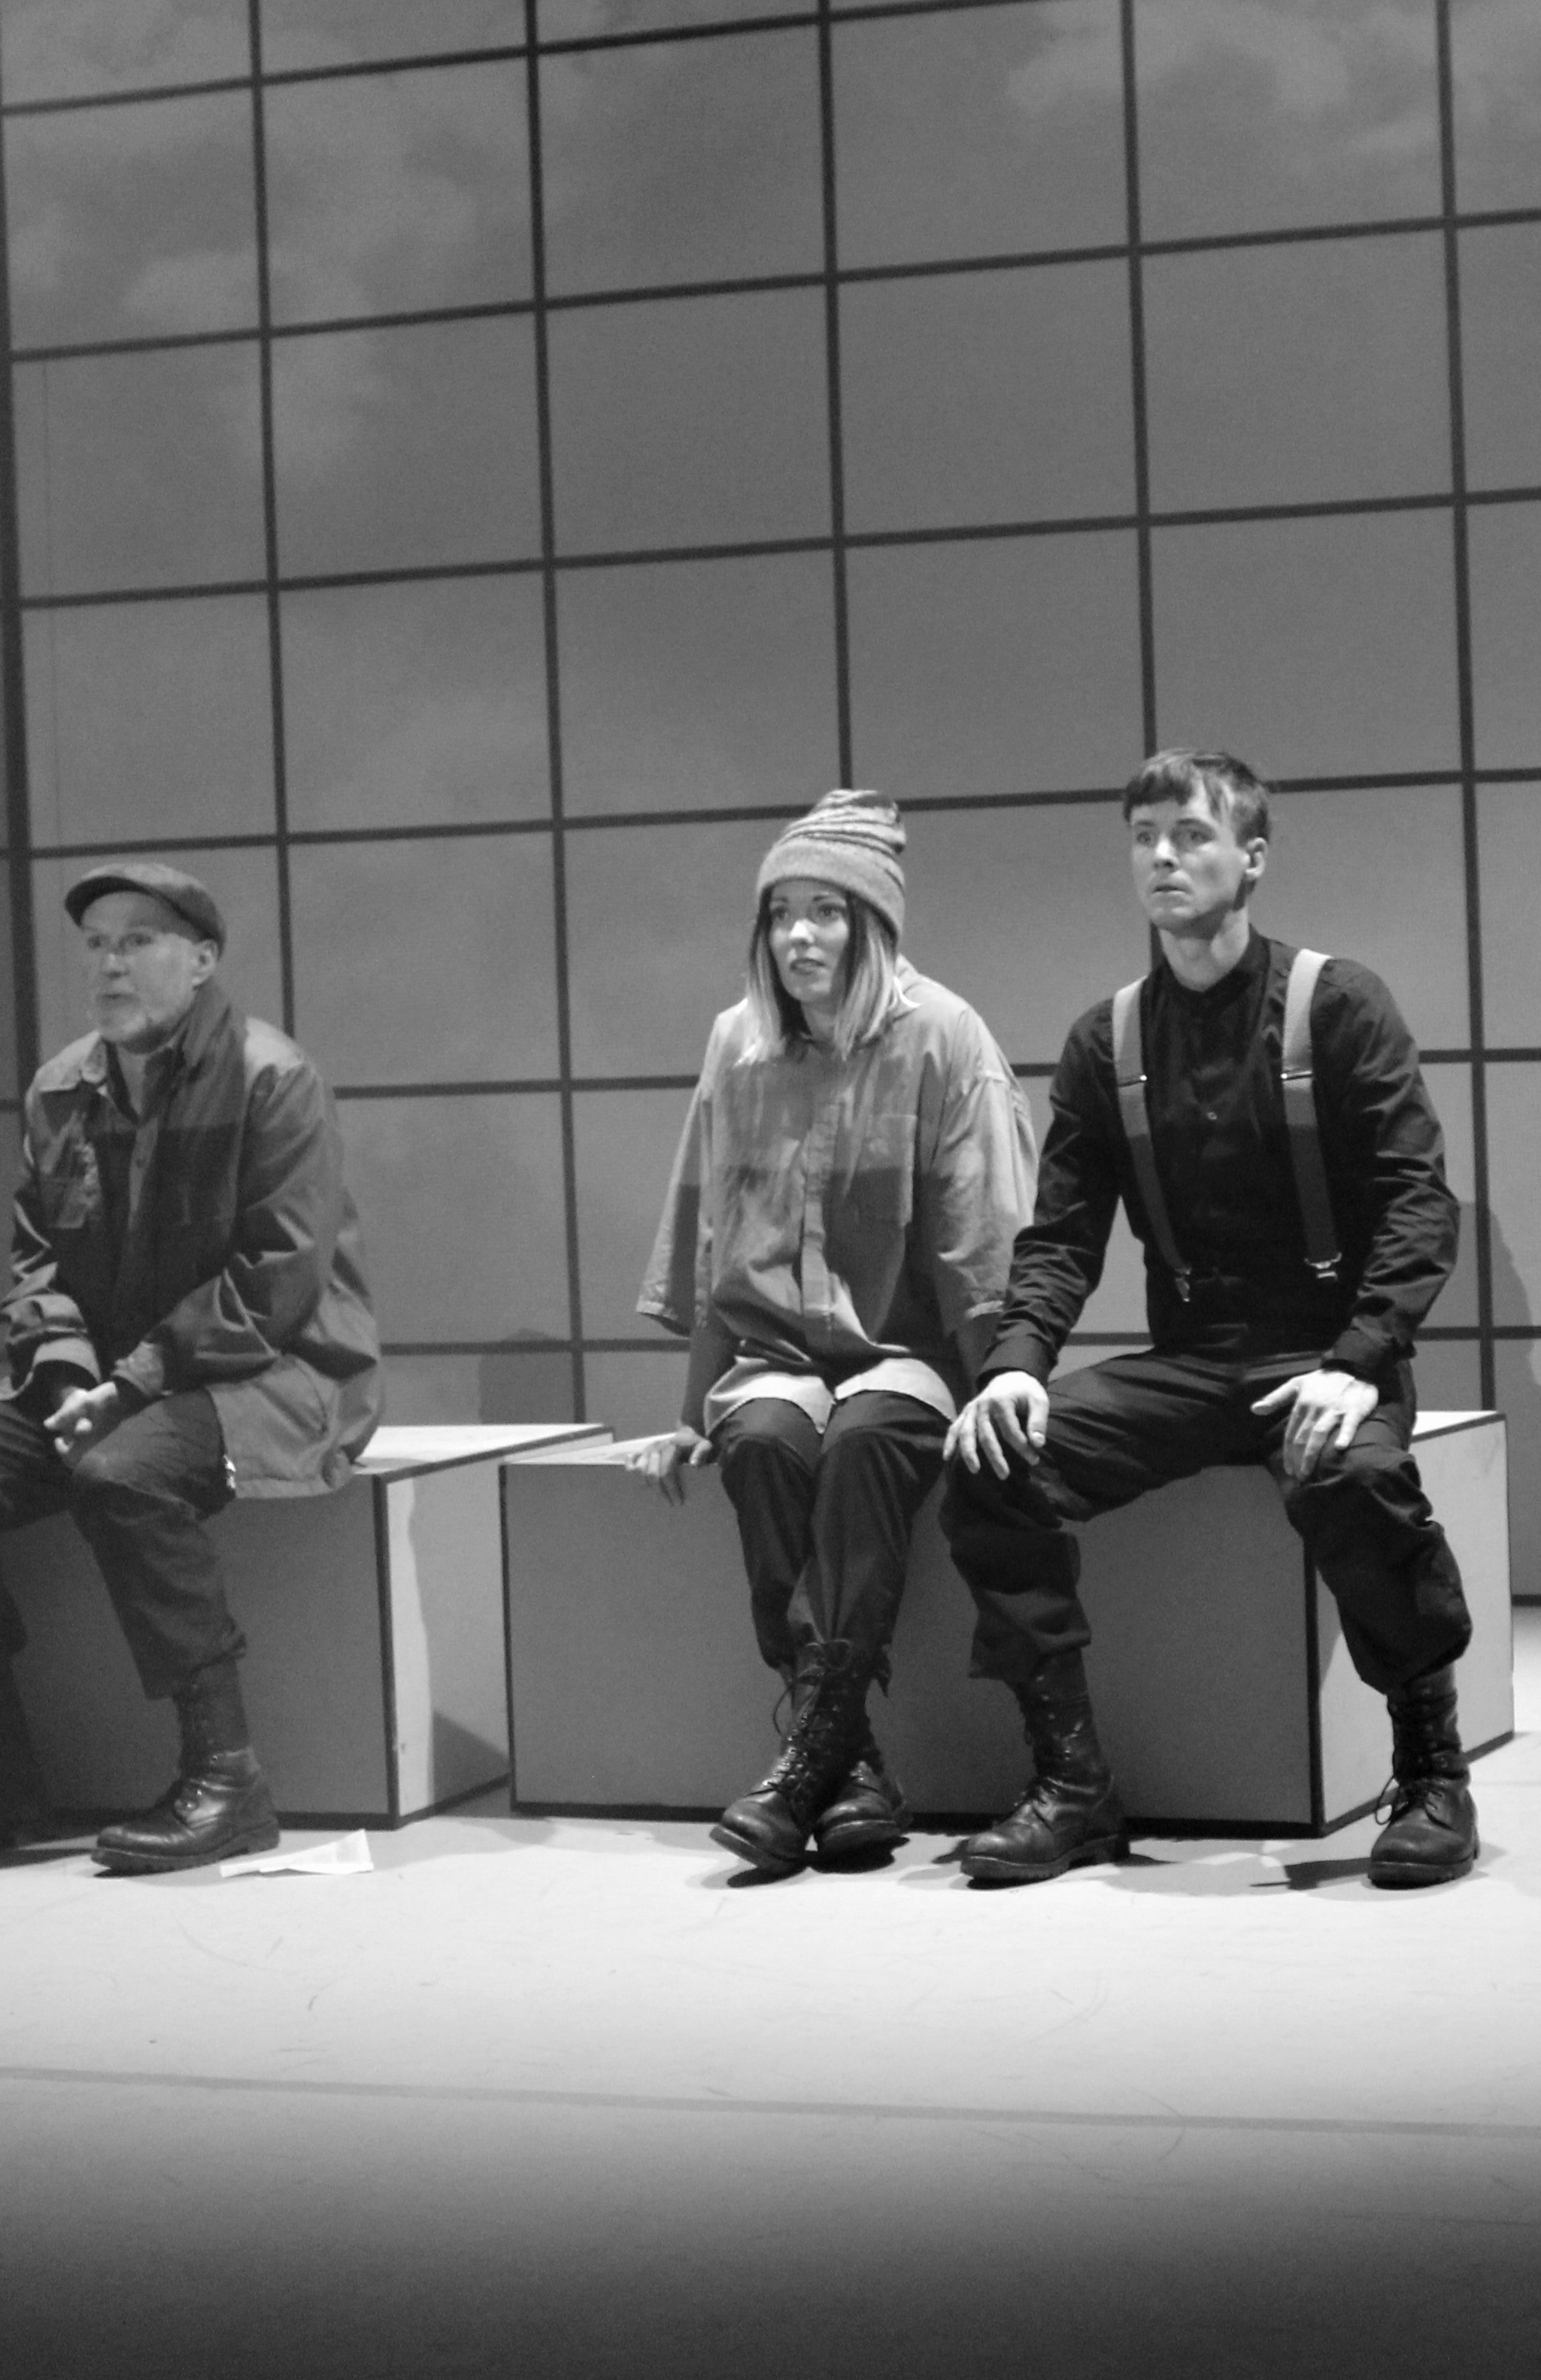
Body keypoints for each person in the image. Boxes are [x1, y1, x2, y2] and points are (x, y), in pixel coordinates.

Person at [939, 749, 1479, 1890]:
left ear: (1253, 858)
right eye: (1144, 838)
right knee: (994, 1463)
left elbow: (1418, 1202)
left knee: (1352, 1476)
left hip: (1327, 1354)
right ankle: (1073, 1786)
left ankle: (1433, 1771)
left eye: (1190, 835)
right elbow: (1062, 1235)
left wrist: (1359, 1360)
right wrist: (1016, 1363)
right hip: (1193, 1361)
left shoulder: (1338, 1004)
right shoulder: (1107, 1040)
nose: (1163, 858)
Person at [0, 863, 378, 1875]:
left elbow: (277, 1278)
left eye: (138, 941)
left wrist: (135, 1381)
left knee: (122, 1473)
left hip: (273, 1371)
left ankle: (229, 1778)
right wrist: (67, 1375)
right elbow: (35, 1266)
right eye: (97, 943)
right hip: (110, 1379)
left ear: (202, 960)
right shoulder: (60, 1087)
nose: (109, 963)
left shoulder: (271, 1077)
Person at [626, 793, 1032, 1875]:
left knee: (864, 1443)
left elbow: (981, 1235)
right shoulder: (738, 1042)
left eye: (826, 912)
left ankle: (810, 1758)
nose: (798, 936)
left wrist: (1002, 1383)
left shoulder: (944, 1034)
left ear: (873, 925)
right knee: (759, 1444)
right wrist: (689, 1414)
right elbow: (714, 1237)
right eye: (780, 914)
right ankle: (847, 1763)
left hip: (909, 1352)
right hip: (777, 1355)